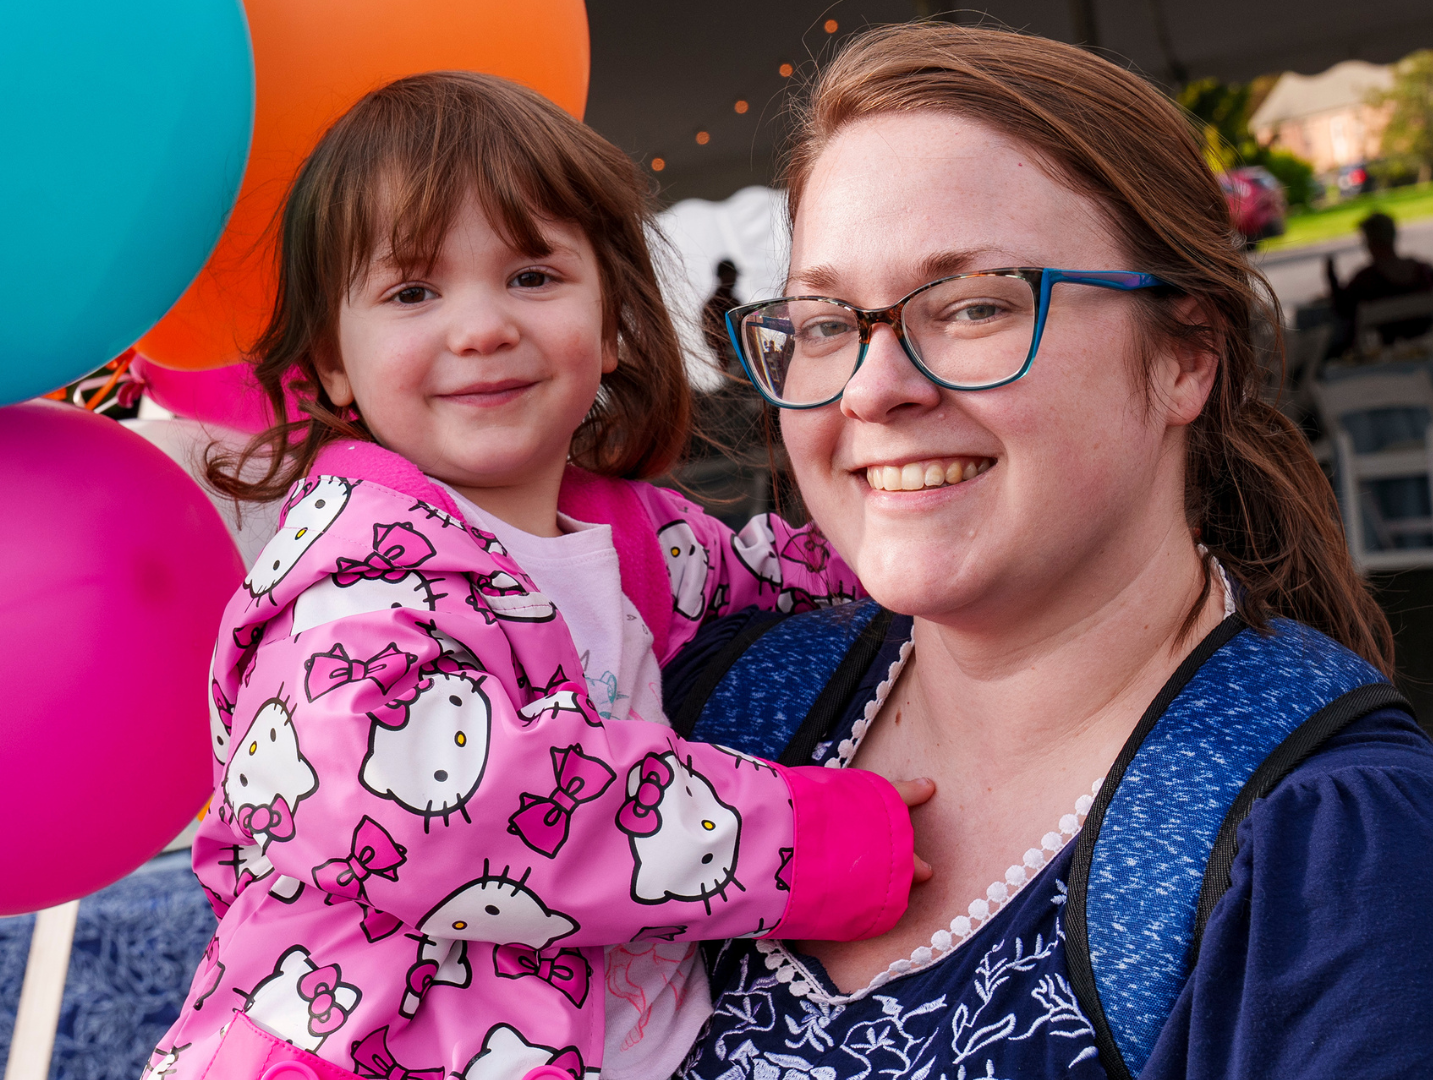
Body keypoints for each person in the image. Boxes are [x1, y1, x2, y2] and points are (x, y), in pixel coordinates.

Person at [664, 24, 1433, 1080]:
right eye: (827, 322)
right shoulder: (713, 715)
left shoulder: (1325, 851)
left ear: (1187, 357)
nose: (873, 389)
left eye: (974, 305)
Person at [147, 73, 922, 1080]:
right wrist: (810, 842)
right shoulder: (350, 593)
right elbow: (462, 813)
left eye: (532, 277)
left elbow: (771, 580)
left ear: (611, 328)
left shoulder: (633, 540)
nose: (481, 328)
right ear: (334, 363)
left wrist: (899, 540)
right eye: (414, 291)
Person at [1326, 211, 1433, 347]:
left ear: (1370, 242)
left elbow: (1343, 309)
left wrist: (1331, 278)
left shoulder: (1366, 279)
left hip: (1382, 351)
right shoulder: (1423, 271)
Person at [700, 259, 743, 364]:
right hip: (732, 362)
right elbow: (711, 339)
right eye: (732, 275)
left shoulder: (733, 301)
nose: (735, 279)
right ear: (723, 276)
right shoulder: (715, 304)